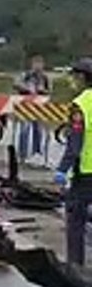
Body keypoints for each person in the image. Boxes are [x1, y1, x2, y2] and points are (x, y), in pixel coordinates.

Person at [55, 58, 92, 265]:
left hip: (85, 173)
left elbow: (75, 145)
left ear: (82, 78)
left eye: (75, 77)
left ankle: (75, 266)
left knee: (75, 220)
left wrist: (62, 170)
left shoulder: (81, 105)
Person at [15, 55, 52, 163]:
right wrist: (26, 89)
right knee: (24, 131)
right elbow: (17, 84)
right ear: (32, 64)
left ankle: (37, 153)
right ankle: (22, 155)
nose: (37, 66)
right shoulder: (26, 75)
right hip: (26, 107)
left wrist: (43, 90)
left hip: (39, 107)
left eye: (40, 64)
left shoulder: (45, 77)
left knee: (38, 130)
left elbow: (49, 90)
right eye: (35, 64)